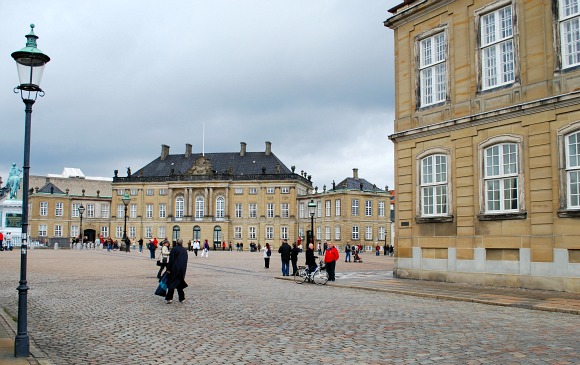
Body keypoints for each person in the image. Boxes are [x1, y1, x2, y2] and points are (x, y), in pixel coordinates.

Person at [164, 239, 188, 304]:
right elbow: (185, 261)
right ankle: (182, 298)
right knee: (179, 283)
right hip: (182, 269)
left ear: (176, 242)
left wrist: (168, 269)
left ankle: (169, 298)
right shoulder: (184, 250)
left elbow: (171, 260)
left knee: (172, 283)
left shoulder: (174, 249)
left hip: (174, 269)